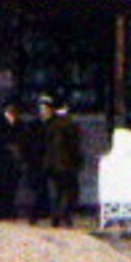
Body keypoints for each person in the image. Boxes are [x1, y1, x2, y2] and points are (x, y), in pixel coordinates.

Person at [43, 97, 85, 228]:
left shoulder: (50, 123)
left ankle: (55, 217)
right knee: (68, 191)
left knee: (57, 191)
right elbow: (74, 146)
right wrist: (78, 161)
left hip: (52, 163)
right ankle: (65, 216)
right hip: (66, 163)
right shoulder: (69, 124)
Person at [0, 101, 26, 220]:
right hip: (3, 158)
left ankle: (10, 210)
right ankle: (1, 211)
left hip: (16, 159)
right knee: (2, 185)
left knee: (13, 186)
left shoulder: (20, 123)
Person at [25, 97, 53, 224]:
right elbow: (29, 143)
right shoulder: (33, 125)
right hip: (36, 161)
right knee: (37, 189)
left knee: (47, 188)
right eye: (41, 109)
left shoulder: (53, 124)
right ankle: (35, 214)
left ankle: (46, 213)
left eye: (46, 109)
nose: (43, 111)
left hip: (51, 160)